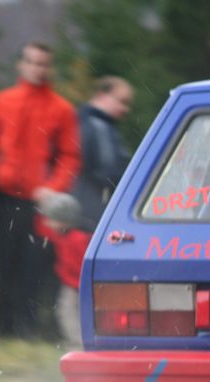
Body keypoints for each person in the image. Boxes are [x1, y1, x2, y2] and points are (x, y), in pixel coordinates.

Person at [0, 41, 81, 340]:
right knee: (6, 261)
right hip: (4, 197)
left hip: (40, 202)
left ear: (49, 67)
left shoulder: (61, 109)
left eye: (43, 63)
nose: (37, 68)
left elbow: (70, 156)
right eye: (32, 62)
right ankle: (2, 328)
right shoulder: (1, 101)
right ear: (21, 64)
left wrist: (53, 189)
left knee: (34, 265)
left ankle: (27, 329)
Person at [51, 76, 133, 346]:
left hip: (81, 217)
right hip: (85, 219)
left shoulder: (88, 124)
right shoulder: (94, 126)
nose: (125, 110)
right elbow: (107, 172)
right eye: (121, 102)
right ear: (102, 95)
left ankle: (80, 338)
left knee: (77, 281)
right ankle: (79, 340)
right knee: (78, 283)